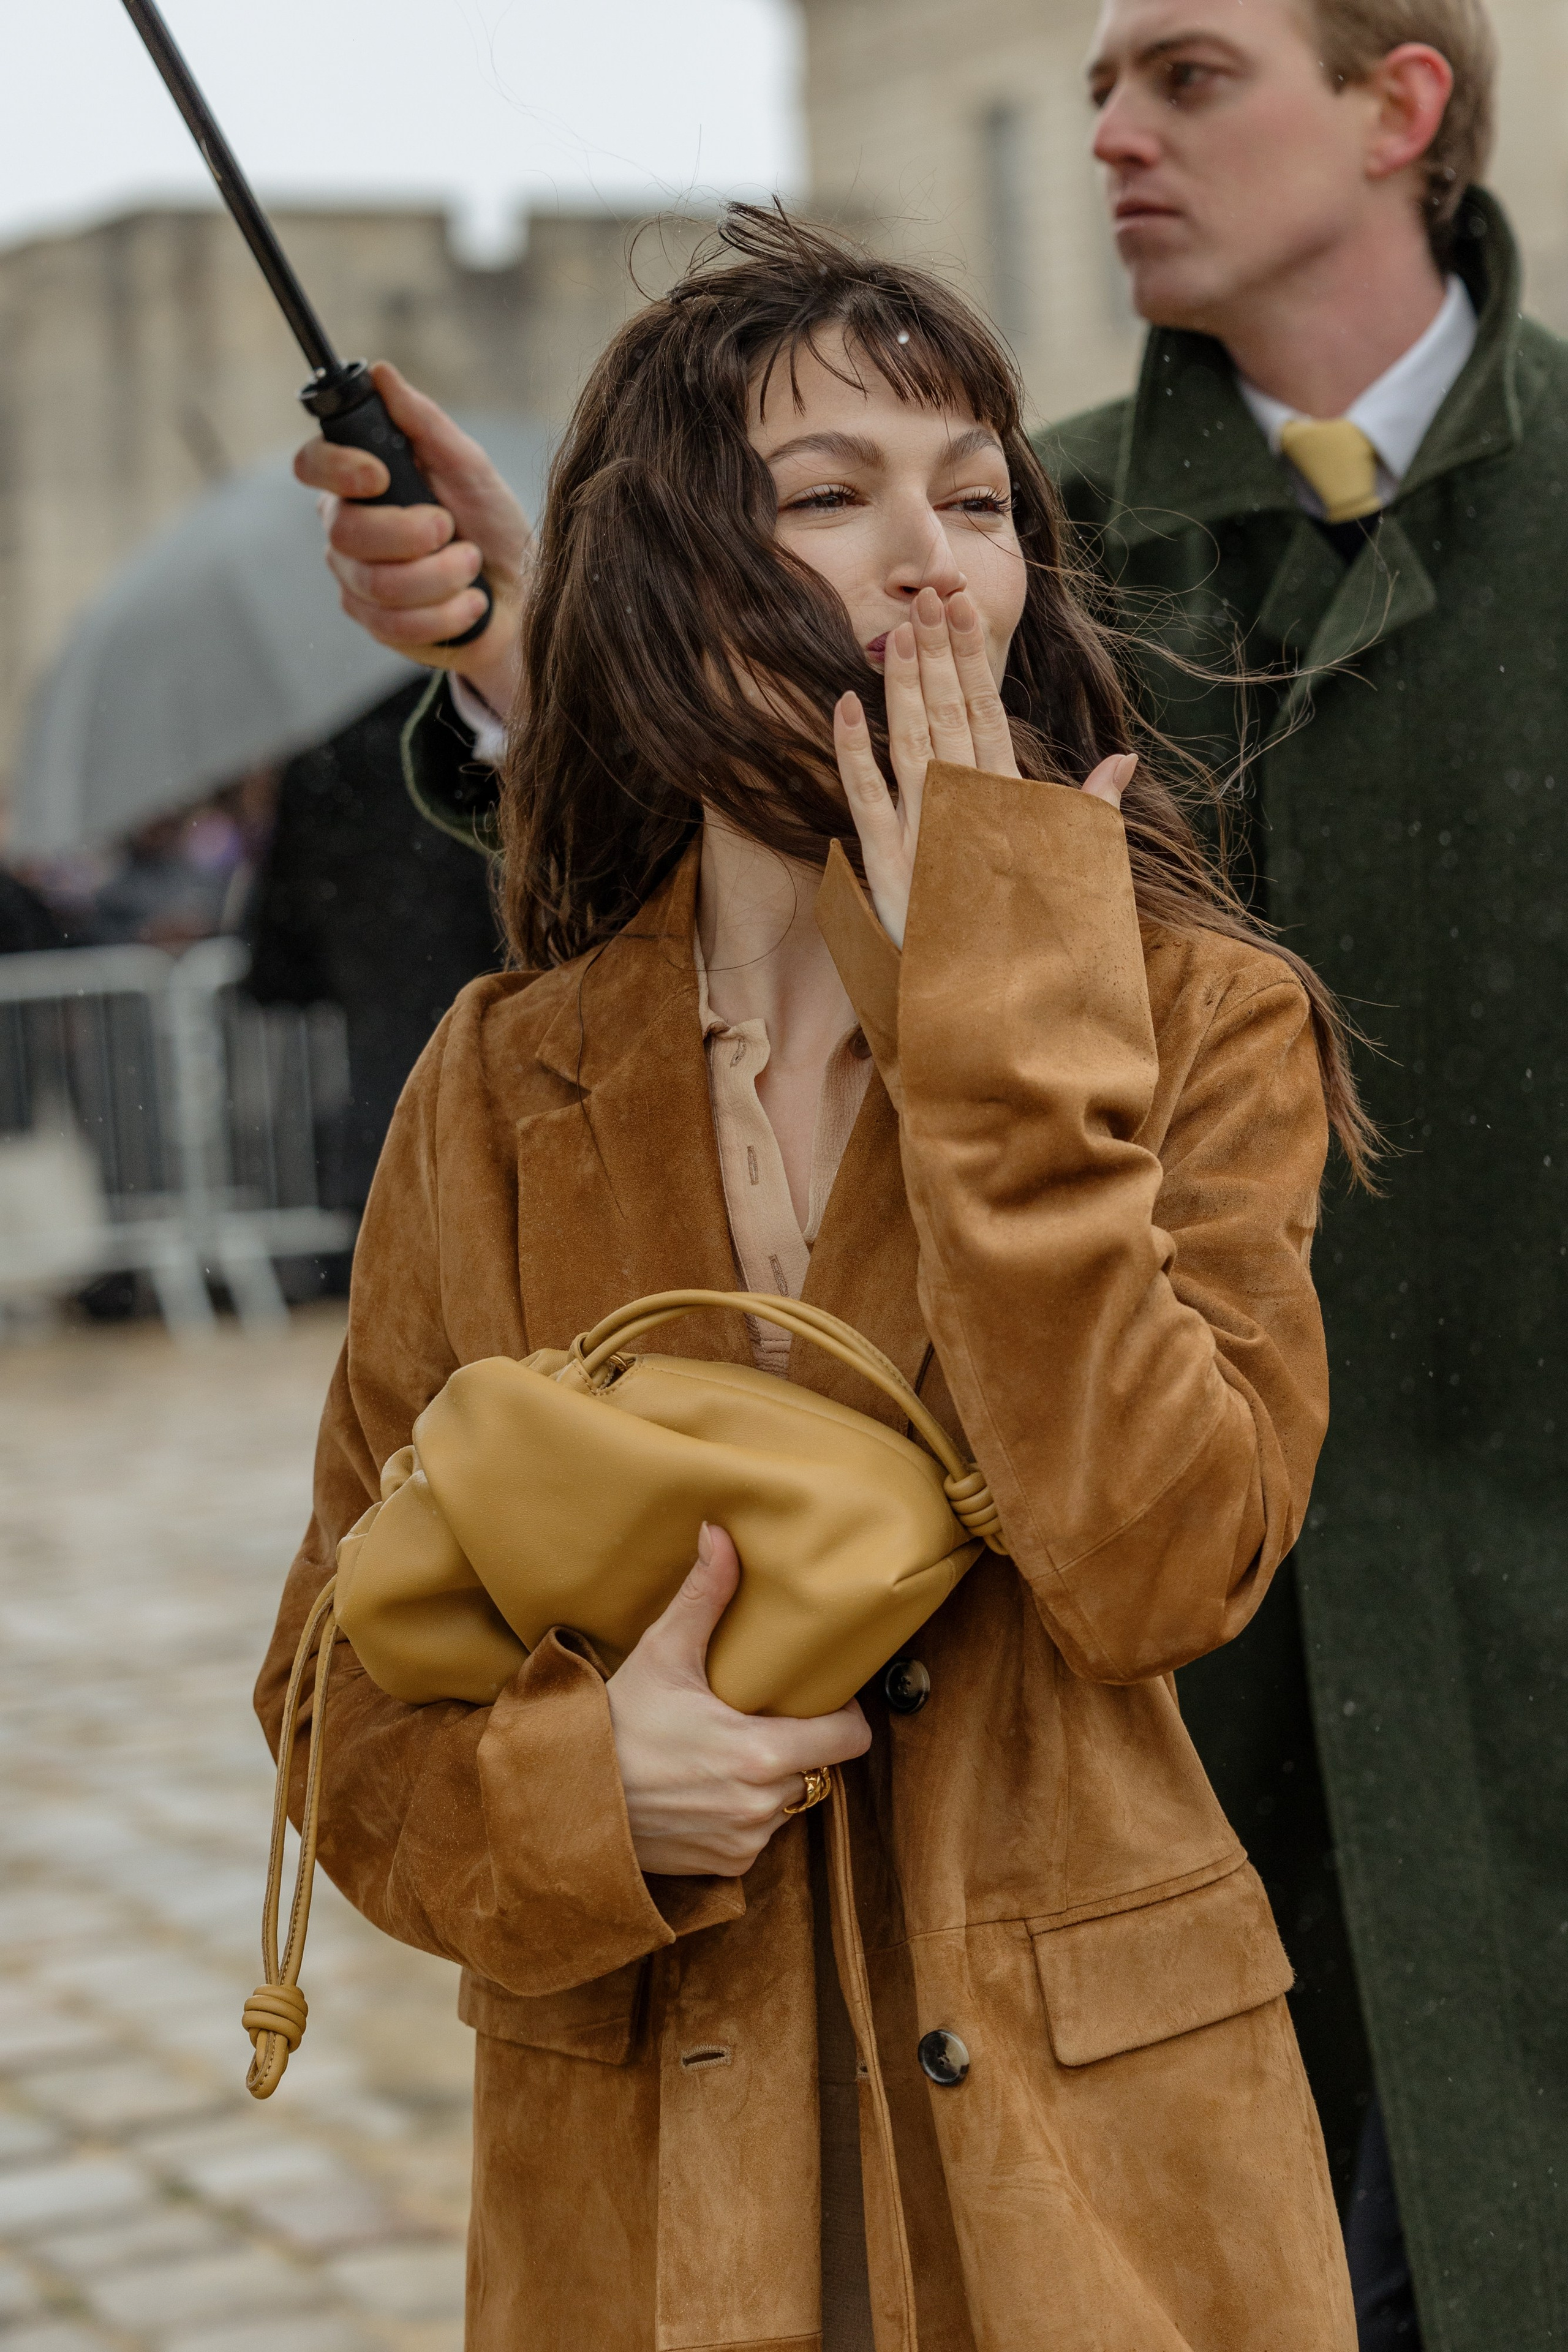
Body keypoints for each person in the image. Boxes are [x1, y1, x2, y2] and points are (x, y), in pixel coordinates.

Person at [264, 206, 1368, 2350]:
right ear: (665, 580)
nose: (934, 562)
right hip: (644, 2205)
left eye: (977, 498)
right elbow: (334, 1693)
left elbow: (1160, 1563)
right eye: (826, 497)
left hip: (1097, 2192)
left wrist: (1006, 1017)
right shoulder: (501, 1081)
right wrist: (585, 1793)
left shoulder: (1193, 1019)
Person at [1036, 0, 1568, 2342]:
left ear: (1396, 106)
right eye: (1093, 91)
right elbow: (713, 841)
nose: (1111, 139)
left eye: (1185, 76)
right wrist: (503, 661)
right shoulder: (1019, 541)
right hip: (1172, 1696)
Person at [244, 679, 503, 1214]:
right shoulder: (477, 733)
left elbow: (279, 956)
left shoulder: (321, 764)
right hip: (496, 1092)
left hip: (383, 1116)